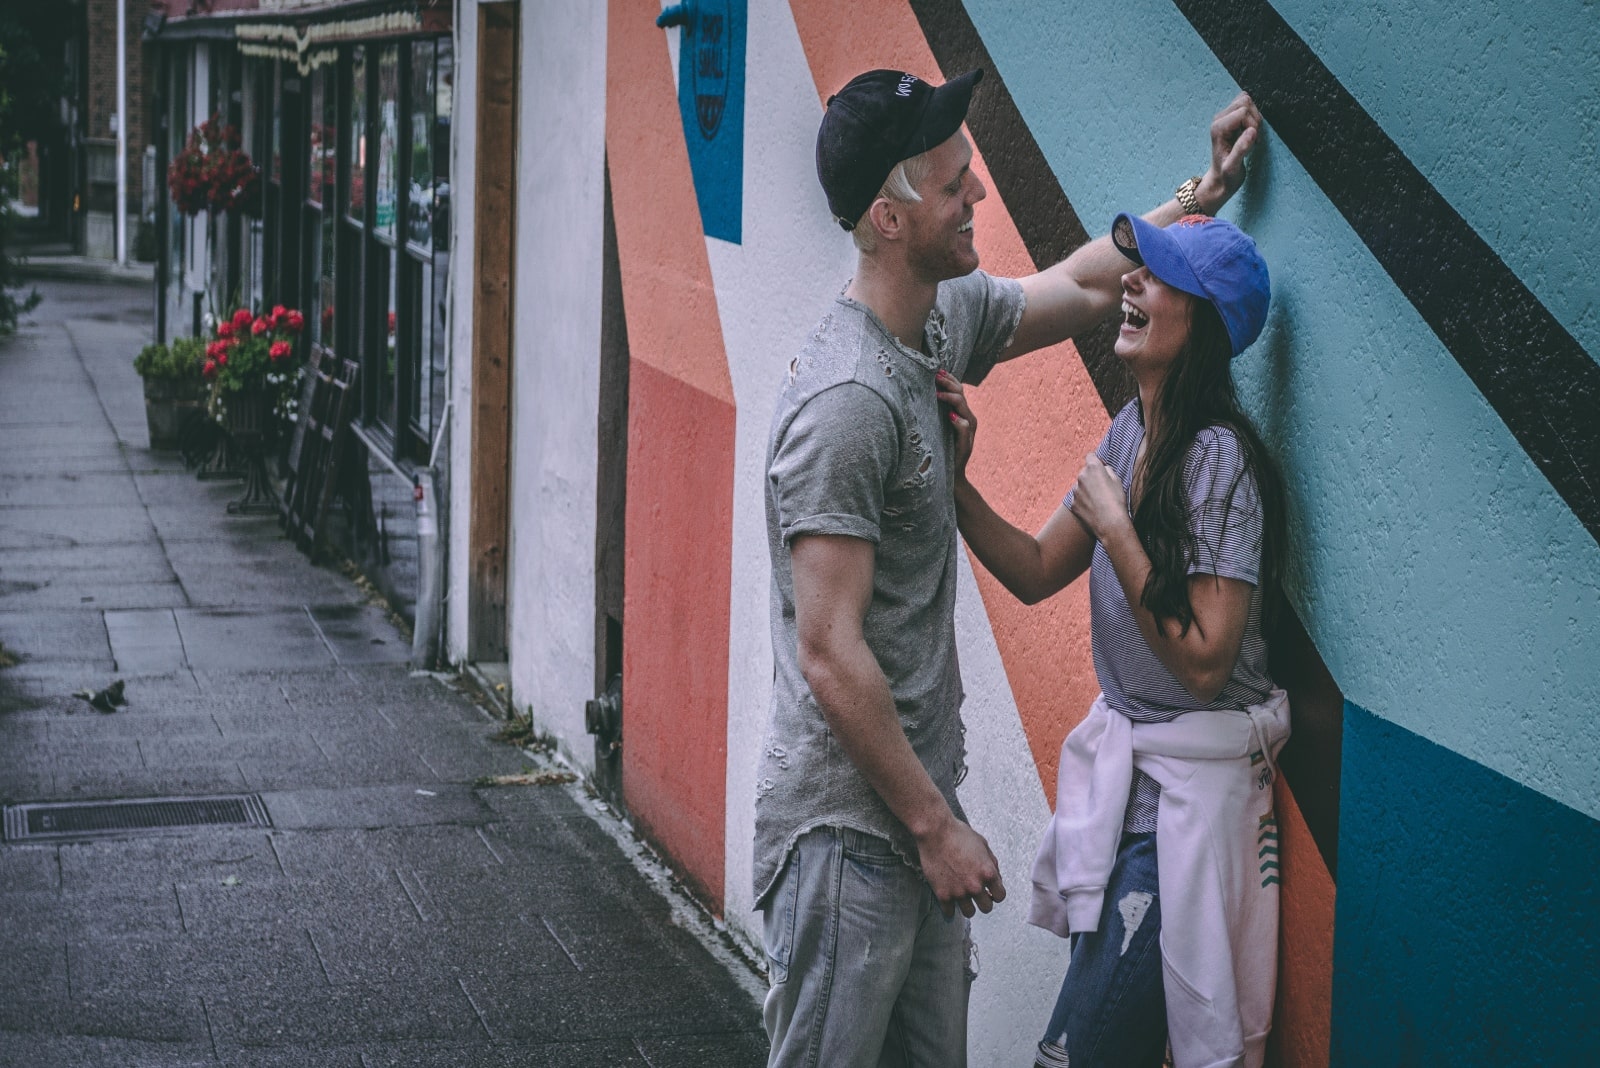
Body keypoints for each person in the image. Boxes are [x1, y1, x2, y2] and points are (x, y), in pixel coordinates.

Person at [757, 64, 1263, 1068]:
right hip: (850, 832)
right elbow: (828, 653)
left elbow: (1080, 284)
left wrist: (1198, 203)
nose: (977, 194)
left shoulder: (936, 326)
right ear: (887, 221)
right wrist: (933, 828)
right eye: (953, 186)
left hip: (912, 813)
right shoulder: (846, 403)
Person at [936, 212, 1288, 1068]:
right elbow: (1031, 568)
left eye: (1158, 275)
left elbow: (1206, 661)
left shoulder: (1218, 460)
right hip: (1133, 806)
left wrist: (1120, 531)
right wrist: (957, 477)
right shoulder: (1129, 433)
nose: (1130, 282)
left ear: (1203, 321)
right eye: (1136, 269)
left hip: (1185, 817)